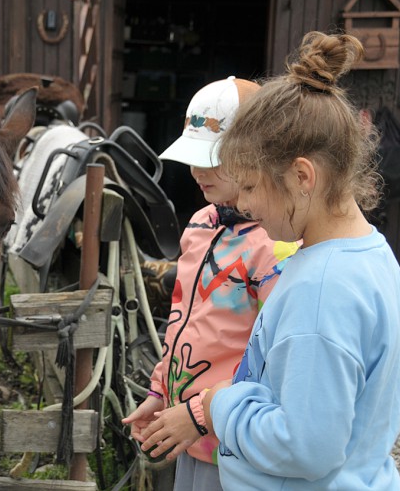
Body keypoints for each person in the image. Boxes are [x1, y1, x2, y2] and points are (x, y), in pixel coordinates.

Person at [138, 31, 400, 490]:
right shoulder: (372, 256)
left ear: (301, 176)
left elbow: (305, 447)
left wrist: (215, 407)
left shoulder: (322, 291)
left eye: (249, 187)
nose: (244, 206)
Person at [122, 76, 298, 490]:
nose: (198, 172)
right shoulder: (201, 223)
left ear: (259, 155)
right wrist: (160, 391)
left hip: (235, 442)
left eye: (213, 159)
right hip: (187, 431)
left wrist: (202, 415)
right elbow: (182, 319)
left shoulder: (276, 246)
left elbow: (274, 361)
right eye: (193, 157)